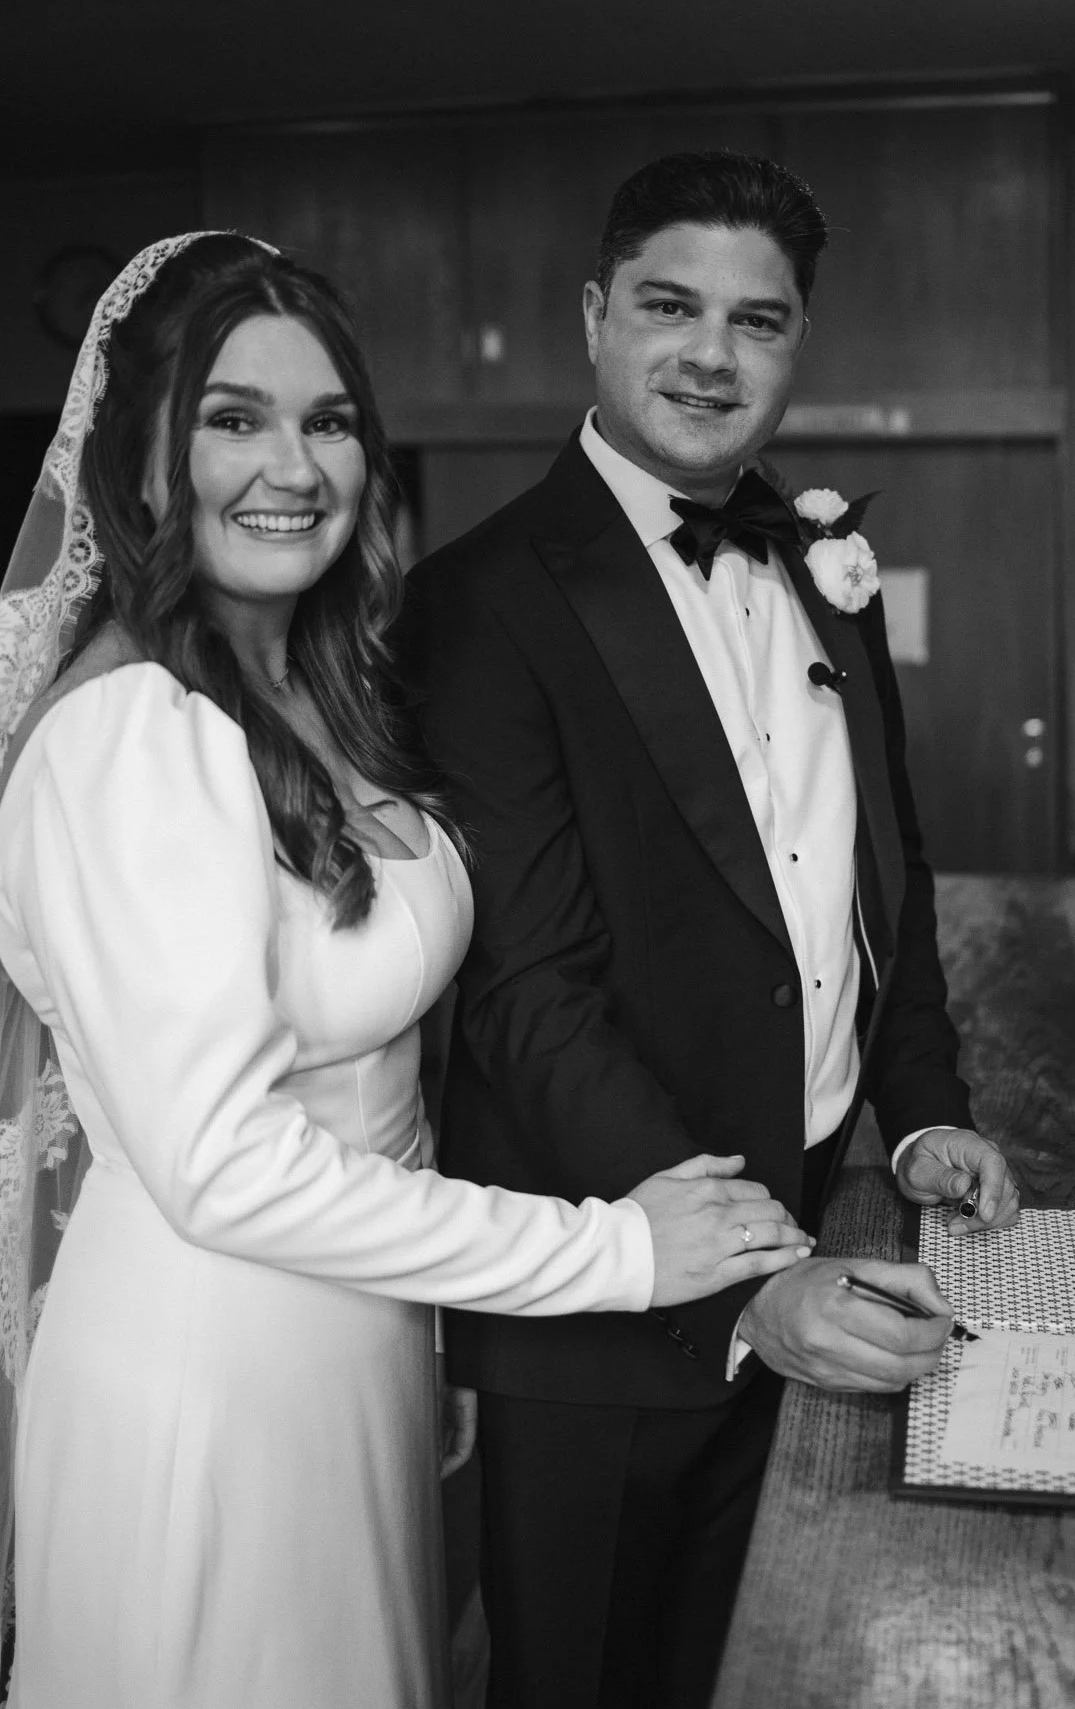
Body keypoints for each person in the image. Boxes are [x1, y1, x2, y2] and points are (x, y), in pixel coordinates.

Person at [0, 231, 815, 1709]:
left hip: (357, 1342)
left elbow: (390, 1077)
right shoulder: (132, 738)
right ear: (143, 459)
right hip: (211, 1371)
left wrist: (430, 1337)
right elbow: (224, 1167)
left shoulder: (328, 693)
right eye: (233, 418)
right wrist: (614, 1254)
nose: (292, 465)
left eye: (328, 422)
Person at [401, 150, 1022, 1709]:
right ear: (596, 318)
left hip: (819, 1223)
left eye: (759, 320)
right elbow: (525, 992)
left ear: (796, 344)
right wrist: (746, 1278)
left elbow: (885, 872)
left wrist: (925, 1105)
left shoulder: (828, 570)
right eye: (671, 307)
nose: (711, 353)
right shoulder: (480, 603)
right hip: (610, 1294)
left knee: (739, 1675)